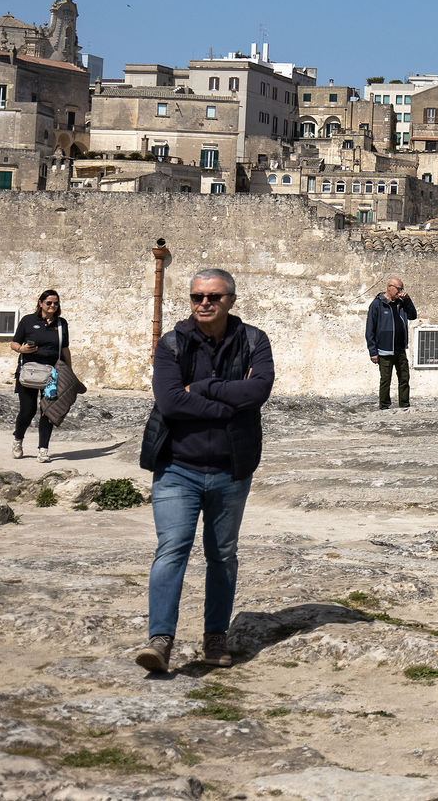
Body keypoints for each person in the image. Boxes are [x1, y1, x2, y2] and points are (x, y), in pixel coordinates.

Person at [136, 269, 276, 674]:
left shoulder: (254, 341)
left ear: (231, 300)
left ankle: (215, 637)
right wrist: (229, 398)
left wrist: (201, 388)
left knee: (223, 555)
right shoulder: (172, 343)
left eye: (213, 297)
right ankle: (160, 640)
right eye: (197, 296)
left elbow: (259, 391)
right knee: (171, 550)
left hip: (231, 468)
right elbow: (170, 403)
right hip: (177, 467)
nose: (204, 303)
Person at [9, 289, 71, 461]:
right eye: (49, 302)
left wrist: (69, 371)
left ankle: (43, 449)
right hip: (29, 372)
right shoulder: (28, 321)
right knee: (27, 411)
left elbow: (65, 348)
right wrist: (21, 349)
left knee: (48, 412)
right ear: (41, 303)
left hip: (52, 375)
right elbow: (14, 343)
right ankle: (18, 439)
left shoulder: (61, 324)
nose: (52, 306)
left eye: (56, 303)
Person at [364, 276, 417, 410]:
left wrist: (407, 300)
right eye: (398, 289)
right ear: (389, 287)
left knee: (404, 378)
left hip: (400, 349)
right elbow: (370, 329)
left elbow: (413, 315)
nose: (400, 291)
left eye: (402, 289)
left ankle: (404, 404)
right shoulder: (377, 304)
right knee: (385, 380)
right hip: (384, 349)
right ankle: (384, 406)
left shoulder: (401, 303)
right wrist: (373, 351)